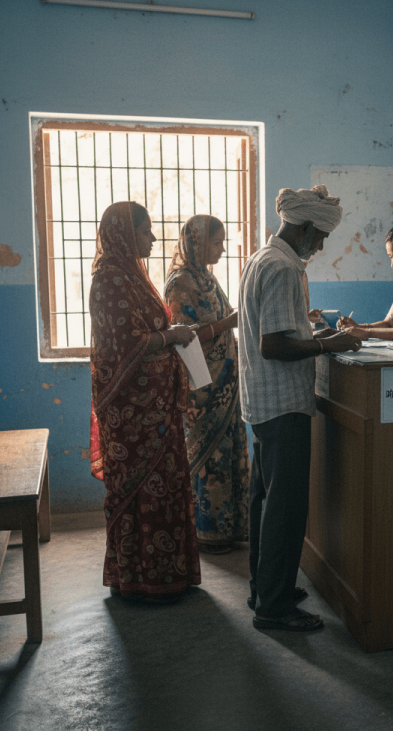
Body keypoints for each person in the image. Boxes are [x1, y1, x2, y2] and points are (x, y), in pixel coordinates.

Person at [238, 184, 362, 632]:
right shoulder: (284, 267)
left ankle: (265, 588)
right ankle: (274, 608)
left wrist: (320, 340)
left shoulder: (260, 258)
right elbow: (275, 346)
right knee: (286, 509)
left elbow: (275, 337)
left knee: (266, 502)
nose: (322, 245)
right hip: (283, 404)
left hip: (261, 401)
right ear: (306, 227)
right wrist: (324, 344)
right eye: (321, 236)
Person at [89, 201, 201, 603]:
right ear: (123, 234)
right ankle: (137, 577)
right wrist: (171, 337)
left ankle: (170, 573)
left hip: (158, 407)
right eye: (144, 231)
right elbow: (126, 344)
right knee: (140, 490)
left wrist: (171, 333)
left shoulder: (134, 276)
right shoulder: (109, 280)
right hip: (131, 411)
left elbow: (147, 328)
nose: (153, 238)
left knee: (167, 484)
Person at [164, 215, 250, 555]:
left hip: (226, 383)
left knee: (228, 452)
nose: (222, 249)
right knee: (208, 457)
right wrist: (227, 323)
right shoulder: (180, 283)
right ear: (196, 244)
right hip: (203, 387)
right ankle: (206, 532)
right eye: (216, 243)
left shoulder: (208, 280)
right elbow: (183, 336)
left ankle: (229, 529)